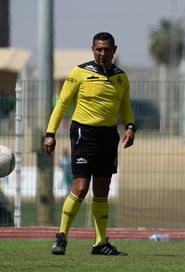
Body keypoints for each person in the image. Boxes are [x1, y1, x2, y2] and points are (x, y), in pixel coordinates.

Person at [43, 32, 136, 256]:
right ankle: (62, 237)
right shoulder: (79, 73)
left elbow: (125, 106)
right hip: (84, 134)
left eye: (107, 49)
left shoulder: (121, 77)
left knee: (102, 189)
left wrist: (131, 126)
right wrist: (50, 133)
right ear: (92, 50)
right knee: (81, 187)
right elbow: (63, 102)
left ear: (114, 50)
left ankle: (100, 243)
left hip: (109, 136)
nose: (102, 53)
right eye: (98, 49)